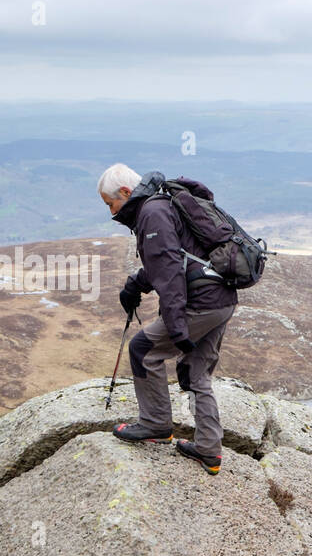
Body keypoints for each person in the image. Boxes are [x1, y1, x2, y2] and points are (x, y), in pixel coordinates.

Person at [98, 163, 236, 474]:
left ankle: (155, 424)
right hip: (222, 299)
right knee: (198, 374)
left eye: (111, 204)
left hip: (200, 303)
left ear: (124, 192)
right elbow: (178, 258)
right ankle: (208, 450)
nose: (111, 212)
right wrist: (136, 284)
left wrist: (175, 323)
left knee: (143, 349)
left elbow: (171, 269)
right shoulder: (164, 204)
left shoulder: (152, 212)